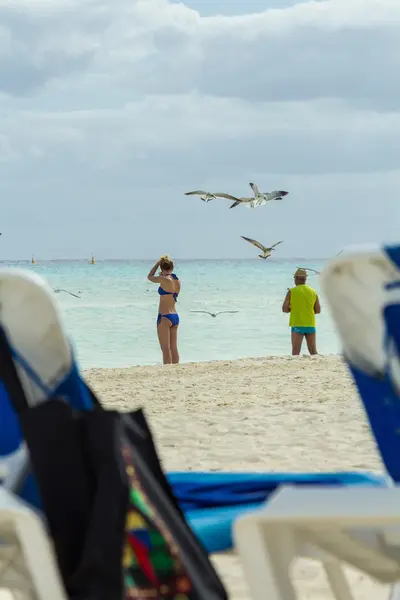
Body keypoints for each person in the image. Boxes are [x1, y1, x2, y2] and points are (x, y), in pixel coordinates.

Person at [147, 255, 180, 364]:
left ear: (161, 268)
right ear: (172, 267)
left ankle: (168, 370)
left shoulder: (164, 279)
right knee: (173, 347)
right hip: (174, 316)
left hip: (164, 316)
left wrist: (157, 264)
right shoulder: (176, 280)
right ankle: (176, 369)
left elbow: (150, 276)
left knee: (165, 348)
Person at [282, 268, 321, 355]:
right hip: (310, 324)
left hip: (297, 324)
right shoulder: (313, 292)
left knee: (296, 352)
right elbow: (318, 310)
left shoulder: (291, 291)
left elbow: (284, 309)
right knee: (313, 352)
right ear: (305, 279)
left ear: (296, 278)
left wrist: (292, 308)